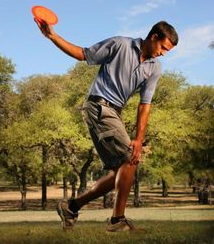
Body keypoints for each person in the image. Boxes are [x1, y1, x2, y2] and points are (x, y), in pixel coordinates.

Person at [35, 18, 178, 232]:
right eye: (163, 48)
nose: (163, 53)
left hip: (115, 112)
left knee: (120, 174)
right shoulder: (120, 44)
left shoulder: (154, 68)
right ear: (153, 37)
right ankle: (117, 221)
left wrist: (139, 139)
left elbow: (144, 105)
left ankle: (71, 207)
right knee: (130, 160)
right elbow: (83, 54)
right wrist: (52, 36)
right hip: (98, 105)